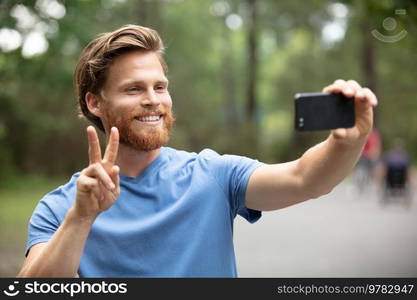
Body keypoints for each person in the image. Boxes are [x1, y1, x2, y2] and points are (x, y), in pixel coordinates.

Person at [17, 25, 378, 278]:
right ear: (95, 102)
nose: (153, 100)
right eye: (133, 89)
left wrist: (346, 141)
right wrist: (81, 218)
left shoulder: (213, 174)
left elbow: (305, 179)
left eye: (160, 86)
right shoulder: (62, 207)